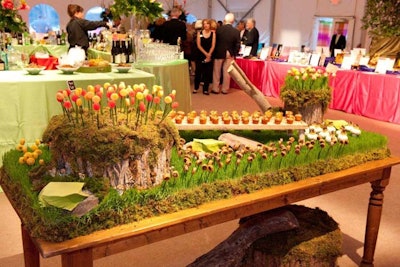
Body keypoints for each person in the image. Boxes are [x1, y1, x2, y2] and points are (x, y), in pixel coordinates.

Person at [211, 13, 241, 95]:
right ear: (233, 21)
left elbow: (215, 42)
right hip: (229, 53)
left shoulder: (219, 30)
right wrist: (234, 53)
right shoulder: (236, 31)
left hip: (219, 52)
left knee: (216, 72)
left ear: (225, 20)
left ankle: (215, 88)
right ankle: (225, 89)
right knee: (227, 72)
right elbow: (238, 44)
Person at [193, 19, 216, 95]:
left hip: (209, 55)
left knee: (207, 73)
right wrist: (206, 54)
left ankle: (205, 89)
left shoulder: (213, 34)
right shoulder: (199, 33)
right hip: (200, 55)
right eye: (204, 24)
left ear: (210, 25)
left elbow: (213, 45)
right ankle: (196, 88)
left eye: (207, 24)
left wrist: (209, 54)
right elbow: (198, 45)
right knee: (198, 72)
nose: (206, 25)